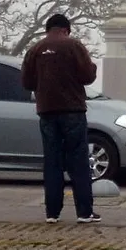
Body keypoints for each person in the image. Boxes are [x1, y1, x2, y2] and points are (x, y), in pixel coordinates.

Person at [21, 13, 100, 224]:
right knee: (78, 162)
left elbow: (27, 82)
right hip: (72, 111)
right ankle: (84, 212)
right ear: (66, 29)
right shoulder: (73, 46)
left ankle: (52, 213)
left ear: (48, 29)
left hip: (46, 111)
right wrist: (92, 68)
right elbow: (87, 76)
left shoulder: (35, 49)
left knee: (52, 161)